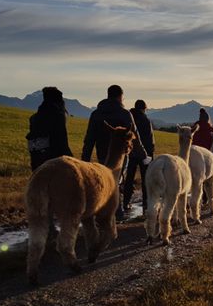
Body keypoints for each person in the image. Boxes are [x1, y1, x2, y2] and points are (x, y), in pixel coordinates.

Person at [82, 85, 149, 219]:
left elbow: (89, 139)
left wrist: (85, 160)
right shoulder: (124, 114)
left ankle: (102, 212)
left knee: (103, 182)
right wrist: (143, 155)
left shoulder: (96, 114)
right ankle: (117, 214)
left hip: (102, 155)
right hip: (120, 156)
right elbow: (134, 136)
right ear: (120, 96)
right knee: (115, 182)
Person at [26, 86, 72, 171]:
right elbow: (62, 141)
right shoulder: (58, 116)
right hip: (55, 161)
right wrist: (71, 159)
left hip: (37, 161)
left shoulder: (34, 118)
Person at [122, 99, 155, 216]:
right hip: (143, 154)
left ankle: (125, 202)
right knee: (146, 179)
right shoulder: (145, 120)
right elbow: (150, 139)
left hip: (131, 153)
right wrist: (150, 155)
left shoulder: (128, 117)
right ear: (143, 108)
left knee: (129, 179)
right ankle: (146, 203)